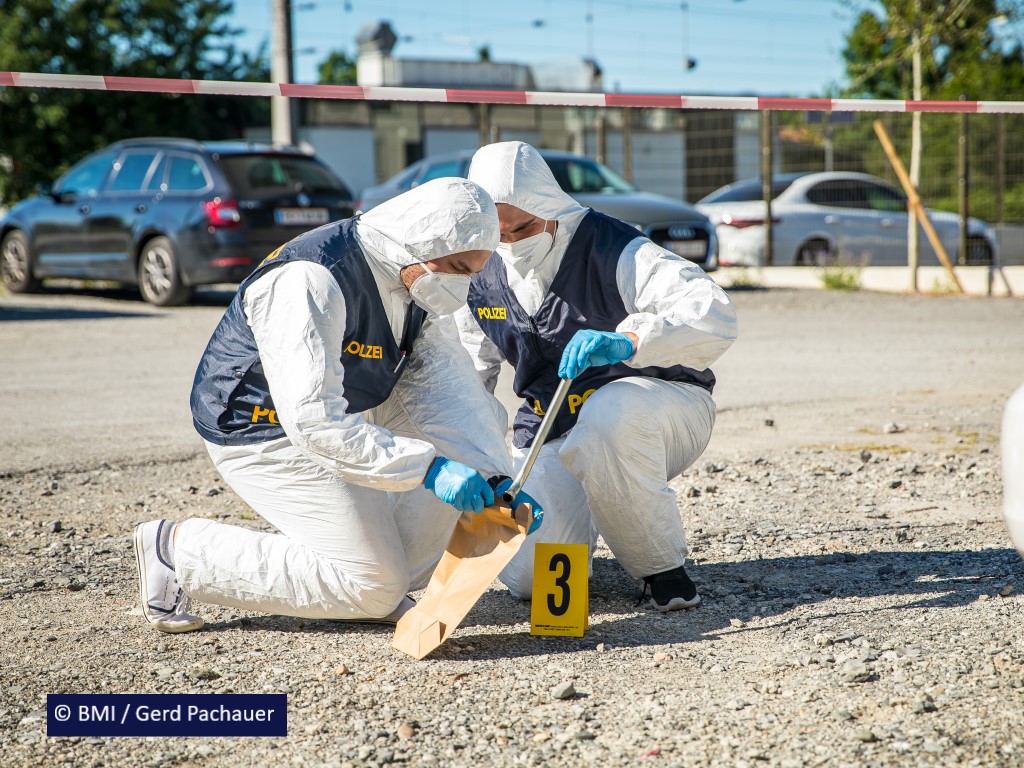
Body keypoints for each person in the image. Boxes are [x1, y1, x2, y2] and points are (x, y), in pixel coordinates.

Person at [133, 178, 540, 634]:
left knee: (463, 465)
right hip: (262, 430)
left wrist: (495, 475)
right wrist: (427, 468)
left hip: (345, 416)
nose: (461, 287)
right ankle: (178, 552)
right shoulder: (311, 280)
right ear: (418, 243)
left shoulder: (415, 278)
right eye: (457, 268)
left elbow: (449, 389)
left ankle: (370, 578)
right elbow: (312, 420)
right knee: (375, 584)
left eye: (473, 273)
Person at [456, 141, 738, 612]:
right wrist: (479, 463)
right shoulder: (478, 272)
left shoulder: (614, 247)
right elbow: (466, 379)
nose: (509, 243)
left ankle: (660, 567)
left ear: (548, 205)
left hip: (657, 412)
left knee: (609, 414)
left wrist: (630, 340)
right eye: (496, 233)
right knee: (528, 578)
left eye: (522, 227)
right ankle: (600, 511)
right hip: (550, 429)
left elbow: (713, 311)